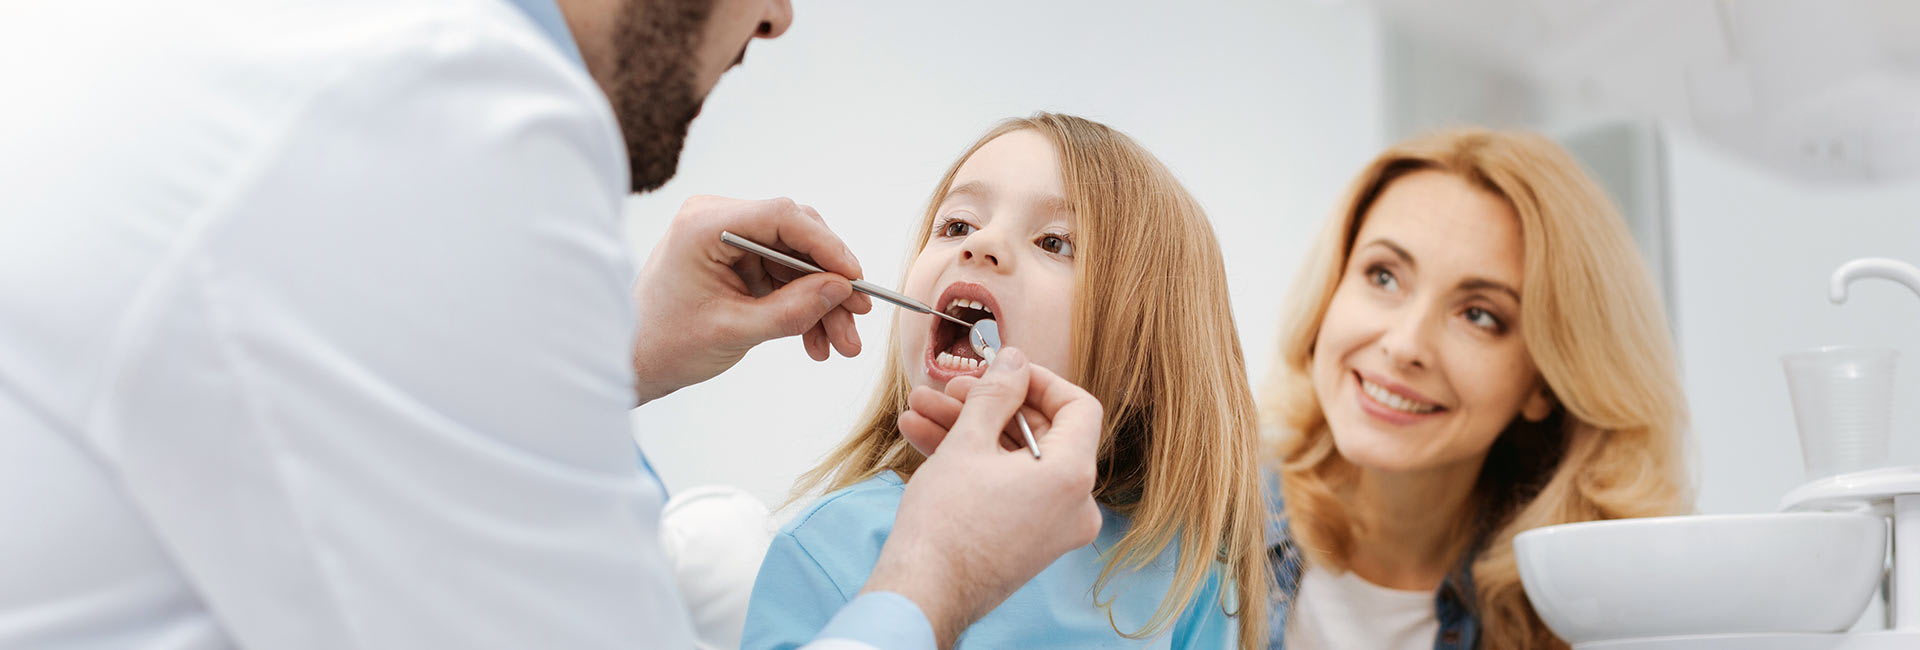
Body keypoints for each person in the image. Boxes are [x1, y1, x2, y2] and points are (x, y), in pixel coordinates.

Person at [0, 1, 1105, 648]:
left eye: (1057, 242)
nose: (781, 13)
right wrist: (934, 577)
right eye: (957, 219)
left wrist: (619, 353)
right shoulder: (431, 113)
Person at [745, 113, 1271, 649]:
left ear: (1146, 352)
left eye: (1055, 242)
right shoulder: (829, 546)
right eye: (957, 226)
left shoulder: (1182, 567)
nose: (981, 244)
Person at [1259, 128, 1691, 649]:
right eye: (1383, 276)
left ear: (1547, 384)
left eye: (1479, 315)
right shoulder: (1192, 537)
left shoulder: (1588, 616)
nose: (1404, 345)